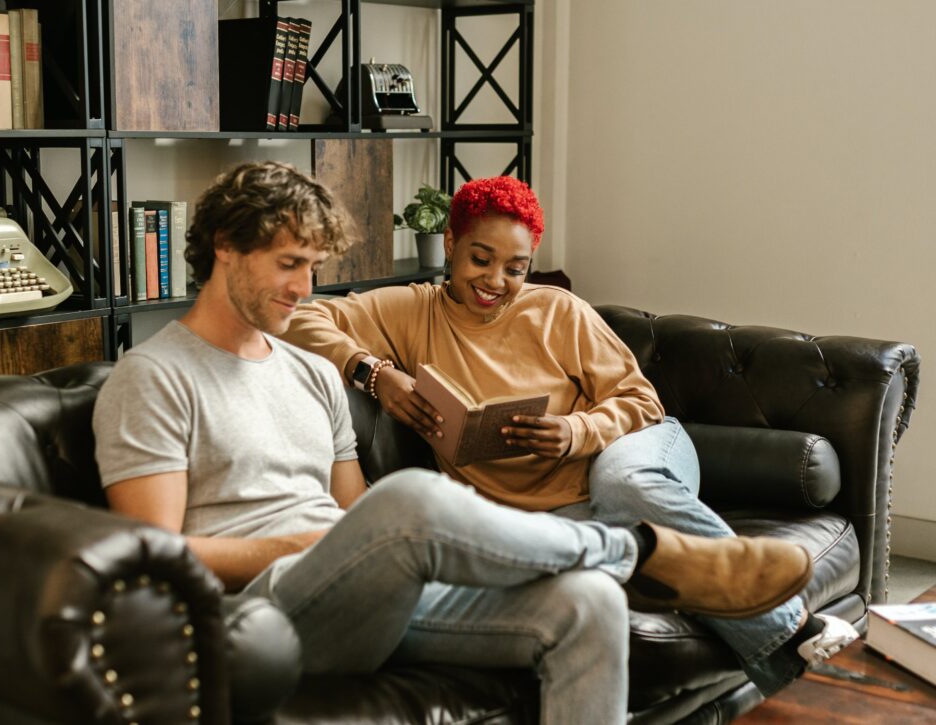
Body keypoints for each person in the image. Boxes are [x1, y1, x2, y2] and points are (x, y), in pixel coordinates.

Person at [93, 162, 814, 724]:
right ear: (224, 247)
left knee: (589, 603)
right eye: (289, 265)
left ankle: (621, 561)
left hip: (369, 587)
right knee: (409, 498)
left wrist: (361, 539)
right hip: (271, 610)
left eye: (313, 267)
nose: (305, 288)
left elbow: (356, 511)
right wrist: (326, 542)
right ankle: (641, 550)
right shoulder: (153, 376)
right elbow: (154, 558)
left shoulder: (310, 374)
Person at [281, 174, 860, 696]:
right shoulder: (412, 311)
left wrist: (575, 431)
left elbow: (642, 401)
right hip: (556, 514)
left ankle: (791, 629)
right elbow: (303, 316)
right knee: (596, 560)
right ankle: (788, 657)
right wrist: (374, 373)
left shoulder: (558, 311)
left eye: (516, 268)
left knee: (621, 486)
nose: (496, 281)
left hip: (632, 448)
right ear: (451, 244)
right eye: (481, 259)